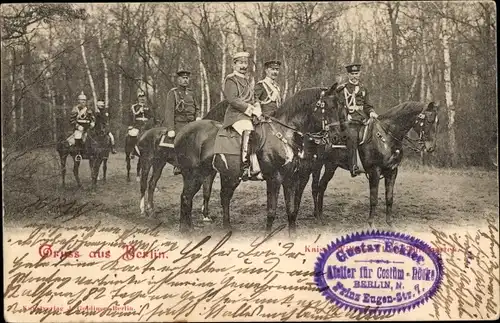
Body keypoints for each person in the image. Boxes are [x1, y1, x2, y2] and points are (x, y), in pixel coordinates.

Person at [222, 51, 263, 181]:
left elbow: (254, 97)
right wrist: (251, 110)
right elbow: (233, 100)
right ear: (234, 65)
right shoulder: (230, 79)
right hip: (236, 115)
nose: (244, 66)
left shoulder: (247, 80)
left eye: (245, 63)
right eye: (240, 63)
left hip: (249, 114)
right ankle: (246, 167)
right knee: (248, 130)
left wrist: (258, 106)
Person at [337, 63, 379, 177]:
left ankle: (374, 163)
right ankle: (353, 165)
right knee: (352, 137)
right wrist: (346, 116)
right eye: (352, 74)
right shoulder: (342, 90)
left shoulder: (363, 89)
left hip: (363, 120)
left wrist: (371, 112)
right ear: (348, 75)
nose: (354, 76)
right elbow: (339, 107)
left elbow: (368, 105)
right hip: (349, 122)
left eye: (356, 73)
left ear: (360, 74)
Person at [160, 69, 201, 175]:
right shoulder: (173, 93)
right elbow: (169, 112)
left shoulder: (191, 93)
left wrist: (198, 117)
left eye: (187, 78)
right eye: (183, 78)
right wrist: (171, 129)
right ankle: (178, 165)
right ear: (178, 80)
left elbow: (197, 108)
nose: (185, 80)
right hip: (179, 123)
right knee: (181, 140)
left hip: (192, 123)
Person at [70, 92, 95, 161]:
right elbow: (72, 120)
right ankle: (78, 154)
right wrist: (78, 126)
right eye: (81, 100)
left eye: (84, 100)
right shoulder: (75, 109)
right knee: (78, 136)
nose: (83, 101)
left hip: (88, 127)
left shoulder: (88, 109)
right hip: (79, 128)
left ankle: (92, 153)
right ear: (78, 101)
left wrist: (92, 123)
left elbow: (92, 118)